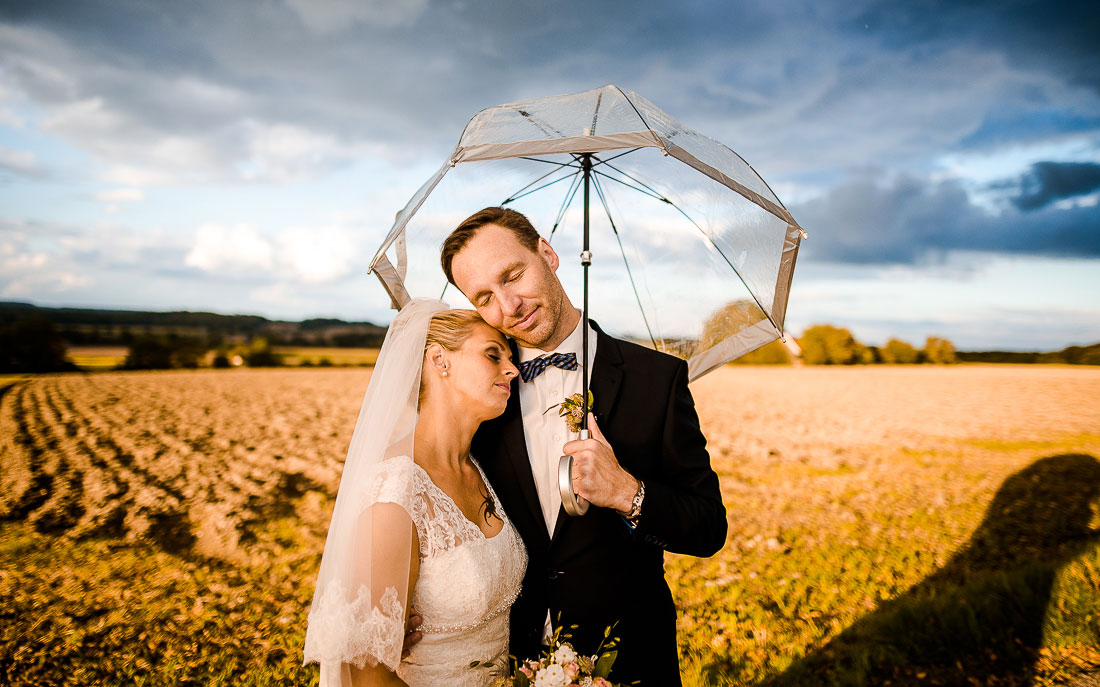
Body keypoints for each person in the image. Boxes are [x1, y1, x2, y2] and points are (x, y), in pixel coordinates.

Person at [426, 206, 728, 686]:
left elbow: (708, 528)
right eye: (484, 297)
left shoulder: (657, 379)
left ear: (548, 254)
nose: (509, 306)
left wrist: (628, 492)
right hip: (507, 664)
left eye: (513, 275)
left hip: (631, 660)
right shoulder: (480, 395)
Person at [304, 300, 528, 687]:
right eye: (494, 354)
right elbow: (366, 676)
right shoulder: (394, 493)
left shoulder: (477, 468)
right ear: (440, 360)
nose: (513, 369)